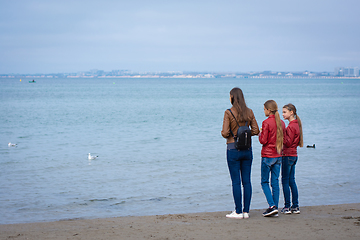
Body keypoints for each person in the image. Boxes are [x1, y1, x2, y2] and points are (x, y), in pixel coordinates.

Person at [221, 87, 259, 219]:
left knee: (236, 182)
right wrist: (245, 132)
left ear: (232, 97)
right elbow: (255, 130)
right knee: (247, 181)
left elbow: (225, 133)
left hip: (233, 148)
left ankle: (237, 211)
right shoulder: (249, 112)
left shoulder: (228, 112)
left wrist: (232, 134)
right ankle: (246, 211)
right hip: (247, 149)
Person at [259, 100, 285, 217]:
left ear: (269, 110)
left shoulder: (266, 123)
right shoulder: (282, 123)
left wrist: (260, 133)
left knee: (264, 182)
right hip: (278, 155)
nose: (264, 111)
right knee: (275, 182)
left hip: (267, 156)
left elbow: (263, 141)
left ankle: (272, 205)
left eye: (264, 109)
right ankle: (275, 207)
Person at [281, 103, 303, 214]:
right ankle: (295, 206)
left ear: (291, 112)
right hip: (294, 155)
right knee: (291, 181)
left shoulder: (290, 126)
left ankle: (287, 206)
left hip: (287, 155)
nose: (283, 114)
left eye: (284, 112)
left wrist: (282, 134)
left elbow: (288, 142)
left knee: (285, 181)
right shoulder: (297, 125)